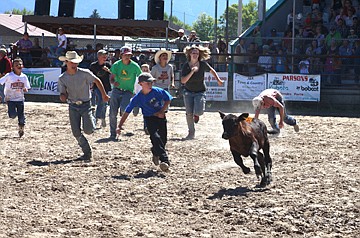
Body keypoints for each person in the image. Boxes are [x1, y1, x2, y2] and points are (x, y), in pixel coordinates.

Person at [58, 51, 110, 161]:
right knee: (76, 132)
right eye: (72, 62)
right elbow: (62, 94)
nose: (74, 64)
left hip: (85, 104)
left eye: (75, 62)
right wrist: (63, 96)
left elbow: (97, 80)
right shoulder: (62, 78)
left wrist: (104, 94)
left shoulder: (85, 73)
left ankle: (93, 117)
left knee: (89, 130)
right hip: (73, 105)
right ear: (66, 62)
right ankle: (87, 151)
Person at [116, 72, 172, 172]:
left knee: (163, 139)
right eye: (148, 83)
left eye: (151, 83)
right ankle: (165, 161)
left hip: (161, 117)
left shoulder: (158, 91)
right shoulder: (137, 98)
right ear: (141, 84)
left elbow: (168, 99)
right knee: (155, 137)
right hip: (149, 119)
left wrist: (162, 110)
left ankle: (155, 152)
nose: (150, 85)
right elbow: (127, 112)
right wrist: (119, 125)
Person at [181, 45, 224, 139]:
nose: (195, 54)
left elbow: (212, 71)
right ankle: (191, 132)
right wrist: (192, 72)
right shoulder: (186, 65)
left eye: (196, 53)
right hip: (188, 91)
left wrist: (218, 80)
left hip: (200, 91)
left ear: (199, 54)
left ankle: (197, 114)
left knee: (199, 111)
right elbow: (183, 81)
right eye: (193, 53)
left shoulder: (203, 64)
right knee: (189, 113)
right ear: (189, 54)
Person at [109, 46, 142, 140]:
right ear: (121, 55)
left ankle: (133, 107)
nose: (127, 57)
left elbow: (140, 76)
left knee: (124, 108)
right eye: (125, 55)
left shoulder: (135, 66)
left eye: (129, 55)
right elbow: (111, 77)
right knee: (112, 113)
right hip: (117, 89)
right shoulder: (116, 65)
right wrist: (113, 82)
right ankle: (112, 133)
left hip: (128, 91)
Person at [0, 58, 31, 137]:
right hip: (10, 99)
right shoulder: (9, 76)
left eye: (20, 64)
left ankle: (21, 127)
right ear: (13, 67)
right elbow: (1, 81)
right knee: (12, 115)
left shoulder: (24, 77)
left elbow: (27, 87)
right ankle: (18, 116)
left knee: (21, 115)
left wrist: (25, 89)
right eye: (16, 65)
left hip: (20, 98)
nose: (19, 66)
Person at [89, 49, 112, 128]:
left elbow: (113, 75)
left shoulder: (108, 65)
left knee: (104, 103)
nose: (105, 57)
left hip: (106, 86)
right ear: (99, 57)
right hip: (97, 86)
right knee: (101, 100)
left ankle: (102, 118)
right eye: (103, 56)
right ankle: (97, 118)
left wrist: (108, 71)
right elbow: (90, 76)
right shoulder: (93, 65)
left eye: (106, 56)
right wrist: (91, 85)